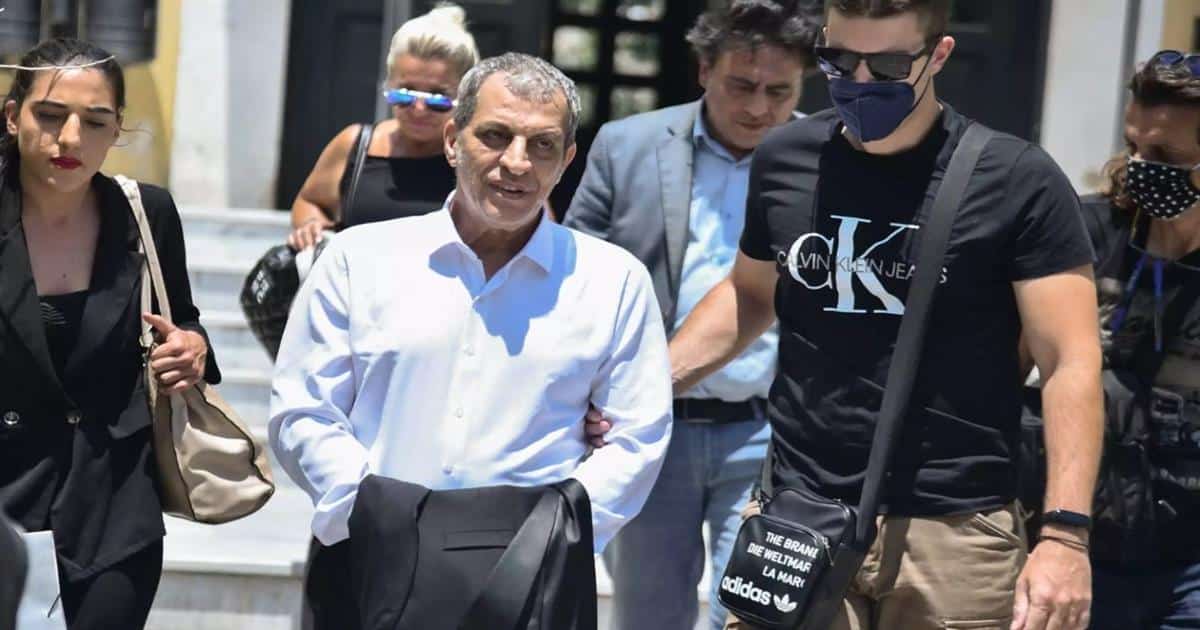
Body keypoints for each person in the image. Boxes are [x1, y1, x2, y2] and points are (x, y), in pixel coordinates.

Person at [665, 0, 1105, 628]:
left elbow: (1069, 361)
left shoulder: (1017, 179)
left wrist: (1064, 536)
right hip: (798, 512)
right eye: (840, 59)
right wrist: (649, 385)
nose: (861, 81)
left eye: (890, 65)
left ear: (939, 55)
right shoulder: (787, 156)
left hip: (952, 528)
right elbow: (751, 294)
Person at [269, 51, 673, 619]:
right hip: (367, 566)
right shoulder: (358, 260)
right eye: (495, 136)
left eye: (542, 145)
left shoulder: (614, 281)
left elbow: (638, 436)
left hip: (535, 582)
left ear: (566, 161)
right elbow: (303, 409)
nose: (517, 163)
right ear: (452, 140)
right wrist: (367, 511)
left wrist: (558, 533)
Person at [564, 2, 817, 628]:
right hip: (650, 430)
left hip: (769, 431)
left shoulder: (827, 158)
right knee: (648, 615)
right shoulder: (627, 145)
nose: (759, 108)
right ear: (704, 70)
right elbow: (576, 282)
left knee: (750, 616)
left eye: (780, 92)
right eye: (741, 85)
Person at [0, 39, 218, 629]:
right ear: (13, 115)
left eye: (95, 122)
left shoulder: (147, 214)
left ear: (117, 128)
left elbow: (183, 317)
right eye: (51, 115)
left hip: (112, 506)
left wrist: (192, 347)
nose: (71, 138)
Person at [1081, 50, 1200, 630]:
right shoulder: (1085, 235)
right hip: (1084, 546)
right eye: (1133, 146)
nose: (1139, 167)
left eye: (1165, 157)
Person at [286, 3, 479, 250]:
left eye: (437, 98)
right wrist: (310, 225)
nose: (418, 109)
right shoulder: (356, 145)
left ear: (465, 96)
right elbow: (311, 201)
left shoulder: (476, 158)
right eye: (405, 94)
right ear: (388, 85)